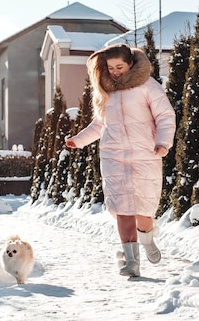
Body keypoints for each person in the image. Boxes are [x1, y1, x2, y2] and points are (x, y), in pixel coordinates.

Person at [65, 44, 176, 277]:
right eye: (110, 67)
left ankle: (146, 238)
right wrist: (79, 140)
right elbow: (99, 124)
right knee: (122, 210)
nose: (114, 71)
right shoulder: (106, 91)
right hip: (113, 157)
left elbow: (165, 116)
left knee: (144, 212)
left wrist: (163, 143)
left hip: (145, 155)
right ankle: (131, 262)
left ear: (131, 64)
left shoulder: (148, 86)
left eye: (119, 66)